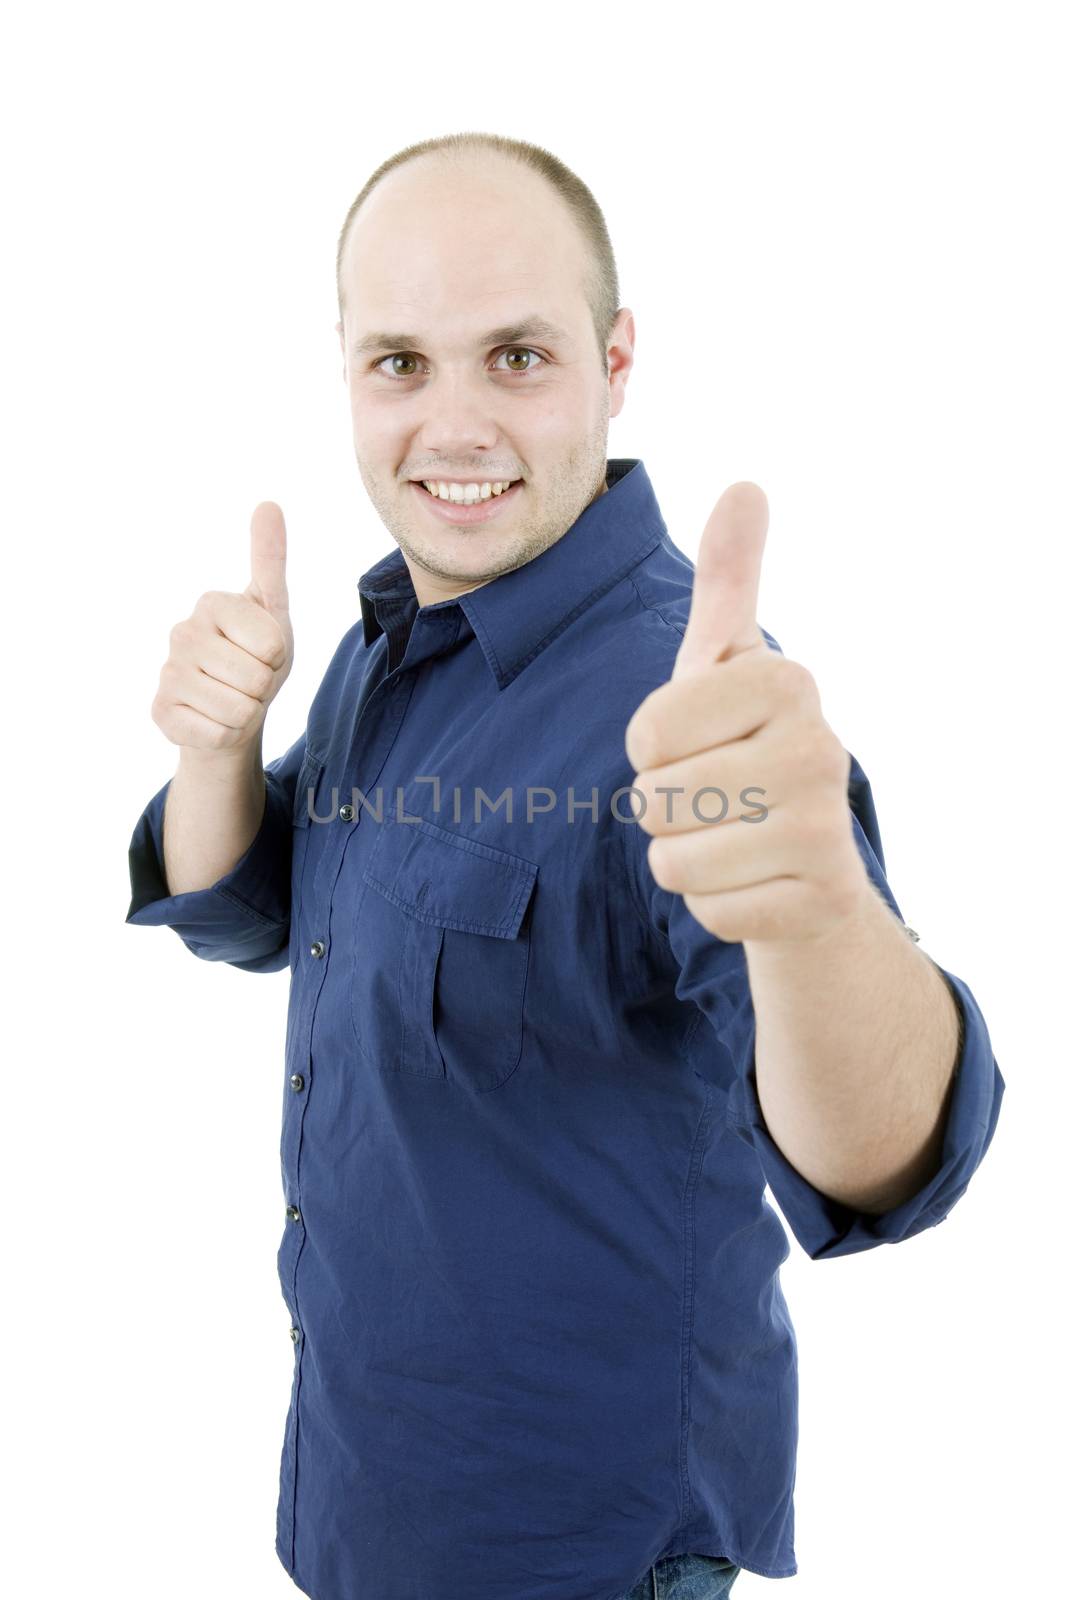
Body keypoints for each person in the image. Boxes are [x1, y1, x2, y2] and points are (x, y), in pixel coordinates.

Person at [125, 131, 1005, 1600]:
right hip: (355, 1503)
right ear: (347, 372)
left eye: (516, 357)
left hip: (576, 1558)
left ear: (615, 361)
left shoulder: (695, 707)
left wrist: (817, 919)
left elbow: (892, 1160)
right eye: (400, 362)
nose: (452, 422)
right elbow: (254, 914)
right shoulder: (384, 641)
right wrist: (219, 747)